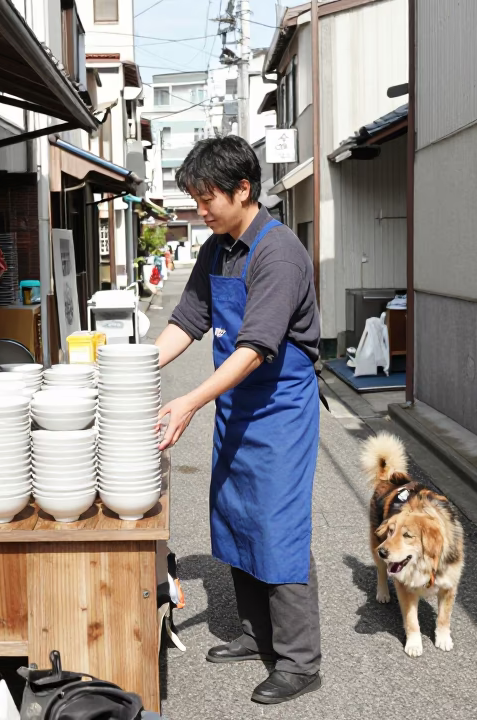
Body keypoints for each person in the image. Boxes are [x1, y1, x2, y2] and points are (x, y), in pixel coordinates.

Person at [153, 135, 323, 704]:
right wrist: (132, 370)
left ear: (243, 189)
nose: (199, 211)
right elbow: (188, 319)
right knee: (235, 516)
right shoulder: (218, 247)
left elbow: (254, 346)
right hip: (236, 404)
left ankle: (299, 662)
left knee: (277, 526)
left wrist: (189, 401)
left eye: (206, 199)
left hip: (278, 408)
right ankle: (257, 633)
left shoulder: (279, 251)